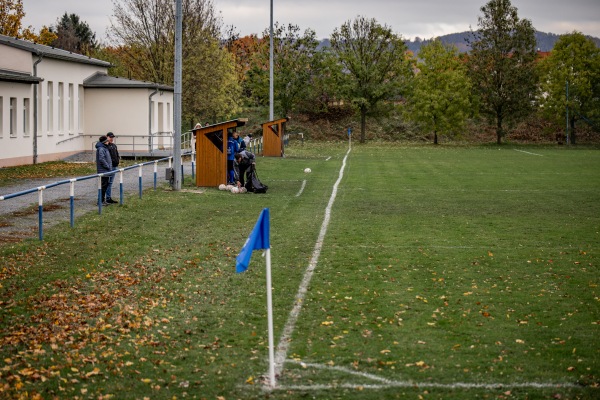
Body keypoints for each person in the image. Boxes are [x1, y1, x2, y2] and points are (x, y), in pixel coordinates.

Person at [95, 135, 113, 206]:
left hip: (105, 170)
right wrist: (108, 166)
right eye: (107, 141)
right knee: (103, 186)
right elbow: (102, 159)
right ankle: (100, 201)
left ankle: (102, 200)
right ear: (105, 142)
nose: (108, 142)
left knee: (105, 186)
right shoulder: (101, 148)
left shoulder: (104, 148)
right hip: (103, 170)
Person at [105, 132, 120, 204]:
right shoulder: (105, 146)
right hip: (109, 167)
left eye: (112, 137)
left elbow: (116, 154)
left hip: (114, 166)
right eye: (110, 137)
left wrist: (117, 160)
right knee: (107, 183)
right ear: (107, 137)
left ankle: (108, 197)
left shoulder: (114, 146)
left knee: (110, 183)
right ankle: (107, 198)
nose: (111, 139)